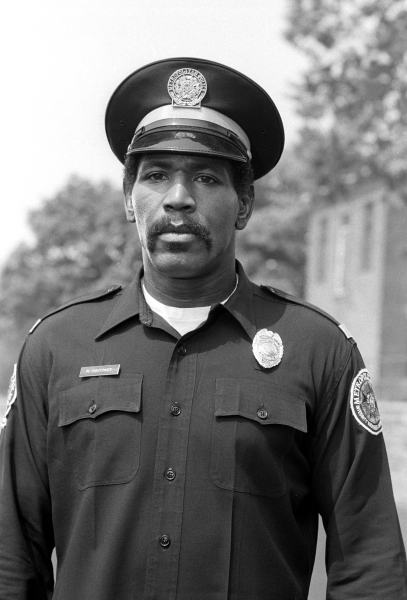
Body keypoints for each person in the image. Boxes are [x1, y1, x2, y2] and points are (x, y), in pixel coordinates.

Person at [0, 57, 406, 600]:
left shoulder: (318, 350)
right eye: (156, 175)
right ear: (129, 199)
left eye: (207, 177)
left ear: (245, 204)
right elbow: (11, 559)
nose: (178, 197)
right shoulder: (56, 348)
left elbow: (371, 566)